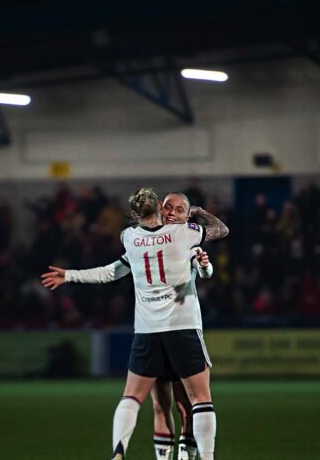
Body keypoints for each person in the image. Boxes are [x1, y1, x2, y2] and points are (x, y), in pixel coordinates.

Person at [46, 188, 228, 460]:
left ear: (134, 213)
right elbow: (221, 231)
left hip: (147, 331)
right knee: (194, 400)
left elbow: (111, 272)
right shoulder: (186, 233)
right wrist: (199, 215)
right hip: (182, 326)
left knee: (135, 398)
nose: (174, 213)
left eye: (180, 209)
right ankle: (203, 456)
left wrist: (70, 275)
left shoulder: (129, 237)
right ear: (159, 208)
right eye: (169, 208)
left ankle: (120, 452)